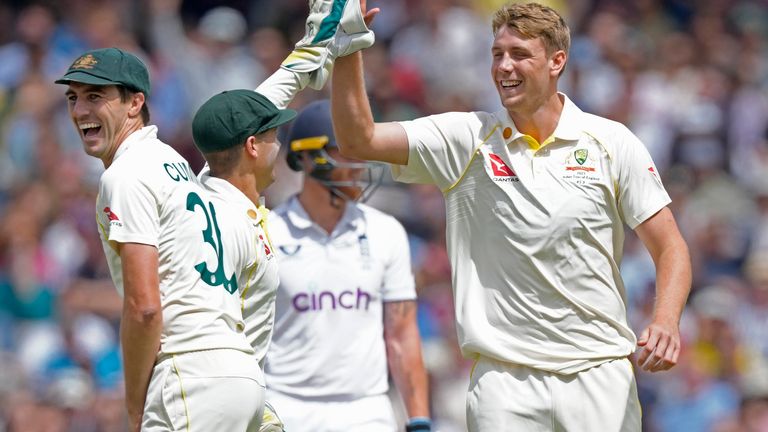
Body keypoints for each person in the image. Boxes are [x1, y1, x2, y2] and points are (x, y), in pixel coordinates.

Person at [331, 2, 692, 431]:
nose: (504, 66)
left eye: (520, 54)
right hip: (504, 381)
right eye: (497, 54)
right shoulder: (466, 139)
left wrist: (666, 321)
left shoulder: (612, 142)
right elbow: (358, 140)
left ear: (557, 61)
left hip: (600, 373)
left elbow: (670, 246)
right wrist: (347, 48)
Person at [56, 47, 264, 431]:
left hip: (188, 373)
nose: (80, 110)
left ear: (136, 103)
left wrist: (134, 406)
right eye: (74, 97)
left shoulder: (125, 176)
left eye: (95, 96)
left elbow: (145, 307)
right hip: (239, 372)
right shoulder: (174, 162)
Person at [263, 99, 432, 432]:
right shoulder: (267, 233)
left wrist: (419, 419)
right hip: (286, 407)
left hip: (366, 410)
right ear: (307, 157)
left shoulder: (386, 232)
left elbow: (402, 333)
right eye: (346, 151)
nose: (359, 163)